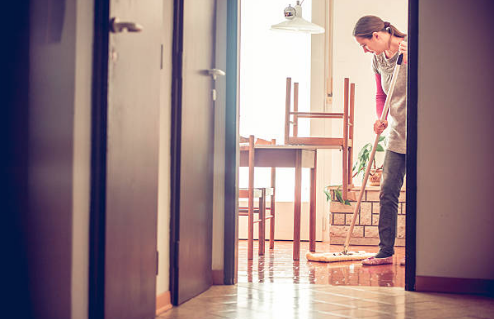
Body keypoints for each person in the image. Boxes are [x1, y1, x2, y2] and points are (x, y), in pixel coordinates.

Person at [353, 15, 408, 266]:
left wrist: (415, 58)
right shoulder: (377, 60)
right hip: (397, 134)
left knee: (421, 194)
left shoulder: (412, 47)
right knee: (387, 192)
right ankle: (385, 251)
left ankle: (421, 254)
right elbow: (380, 95)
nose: (365, 51)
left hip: (422, 133)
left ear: (376, 36)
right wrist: (380, 117)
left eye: (364, 45)